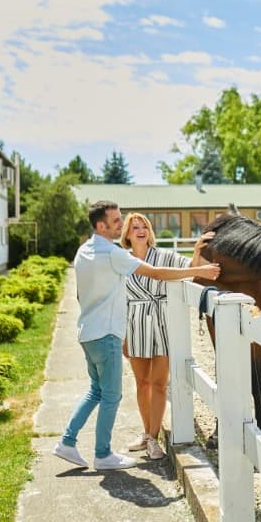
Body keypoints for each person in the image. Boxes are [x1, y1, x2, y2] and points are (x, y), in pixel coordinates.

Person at [53, 201, 220, 471]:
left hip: (106, 329)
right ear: (102, 226)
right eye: (120, 222)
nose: (123, 225)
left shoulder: (85, 250)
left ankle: (70, 441)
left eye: (138, 224)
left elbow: (81, 294)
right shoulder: (115, 254)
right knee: (119, 392)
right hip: (118, 329)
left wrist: (198, 253)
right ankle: (105, 452)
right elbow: (155, 273)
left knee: (106, 390)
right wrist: (198, 271)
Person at [120, 213, 215, 459]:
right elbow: (120, 301)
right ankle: (146, 433)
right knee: (142, 383)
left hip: (162, 322)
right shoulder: (122, 261)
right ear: (127, 234)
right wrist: (124, 336)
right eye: (134, 227)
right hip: (135, 322)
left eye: (144, 226)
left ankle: (153, 438)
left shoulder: (164, 256)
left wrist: (198, 247)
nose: (140, 230)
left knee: (159, 383)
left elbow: (191, 268)